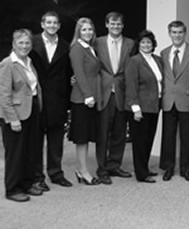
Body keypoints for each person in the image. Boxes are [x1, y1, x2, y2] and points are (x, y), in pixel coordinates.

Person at [29, 11, 73, 190]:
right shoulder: (32, 43)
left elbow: (68, 72)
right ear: (42, 24)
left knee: (56, 138)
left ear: (59, 26)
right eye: (49, 23)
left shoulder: (65, 46)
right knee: (37, 139)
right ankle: (37, 176)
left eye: (55, 23)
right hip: (37, 97)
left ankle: (56, 173)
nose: (52, 26)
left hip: (58, 98)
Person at [0, 29, 44, 202]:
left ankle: (26, 183)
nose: (24, 46)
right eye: (21, 43)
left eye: (27, 43)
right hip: (16, 114)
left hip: (31, 110)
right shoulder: (7, 64)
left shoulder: (28, 61)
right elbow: (3, 95)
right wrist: (12, 119)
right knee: (16, 152)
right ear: (13, 44)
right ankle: (12, 189)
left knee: (29, 150)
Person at [159, 20, 189, 182]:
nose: (177, 35)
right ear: (169, 34)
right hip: (168, 101)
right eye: (174, 32)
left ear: (185, 34)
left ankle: (186, 170)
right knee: (168, 137)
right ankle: (168, 168)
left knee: (187, 138)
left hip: (188, 102)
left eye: (180, 32)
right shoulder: (164, 53)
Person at [94, 12, 135, 184]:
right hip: (103, 91)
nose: (116, 27)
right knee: (103, 132)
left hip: (122, 91)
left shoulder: (130, 43)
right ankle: (102, 168)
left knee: (119, 132)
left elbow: (132, 68)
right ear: (106, 25)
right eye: (112, 24)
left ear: (123, 25)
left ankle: (114, 165)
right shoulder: (97, 42)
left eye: (118, 24)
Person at [125, 30, 163, 183]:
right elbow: (131, 86)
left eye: (149, 42)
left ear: (153, 44)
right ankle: (141, 174)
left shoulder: (158, 60)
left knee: (148, 140)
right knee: (140, 142)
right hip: (140, 108)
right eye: (143, 42)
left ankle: (144, 168)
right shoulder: (134, 61)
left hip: (154, 106)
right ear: (138, 44)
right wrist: (135, 108)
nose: (146, 45)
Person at [68, 17, 100, 185]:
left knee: (86, 136)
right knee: (81, 137)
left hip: (91, 97)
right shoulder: (77, 48)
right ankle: (83, 171)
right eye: (84, 30)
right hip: (83, 99)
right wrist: (88, 95)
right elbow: (79, 73)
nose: (88, 32)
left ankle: (82, 169)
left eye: (90, 29)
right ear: (78, 32)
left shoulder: (90, 48)